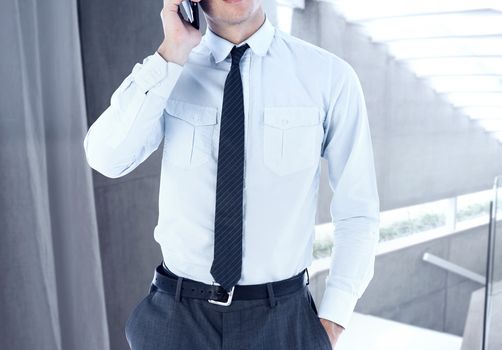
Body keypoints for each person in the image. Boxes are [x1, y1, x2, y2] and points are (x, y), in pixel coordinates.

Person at [83, 0, 379, 348]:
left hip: (282, 322)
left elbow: (358, 211)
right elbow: (106, 157)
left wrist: (331, 321)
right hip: (177, 322)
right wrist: (171, 52)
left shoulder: (329, 77)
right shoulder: (170, 70)